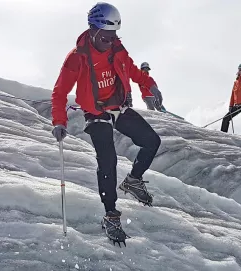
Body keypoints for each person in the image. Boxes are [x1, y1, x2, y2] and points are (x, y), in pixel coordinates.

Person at [50, 2, 161, 246]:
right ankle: (111, 215)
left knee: (152, 141)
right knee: (107, 159)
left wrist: (149, 83)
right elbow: (59, 93)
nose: (110, 41)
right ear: (92, 30)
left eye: (114, 36)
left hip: (118, 107)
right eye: (106, 37)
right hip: (96, 113)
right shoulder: (77, 58)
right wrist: (59, 121)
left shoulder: (117, 49)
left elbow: (132, 70)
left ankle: (133, 180)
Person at [220, 63, 241, 133]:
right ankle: (222, 133)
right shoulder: (236, 82)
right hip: (237, 105)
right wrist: (230, 105)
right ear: (238, 70)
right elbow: (233, 94)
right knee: (225, 119)